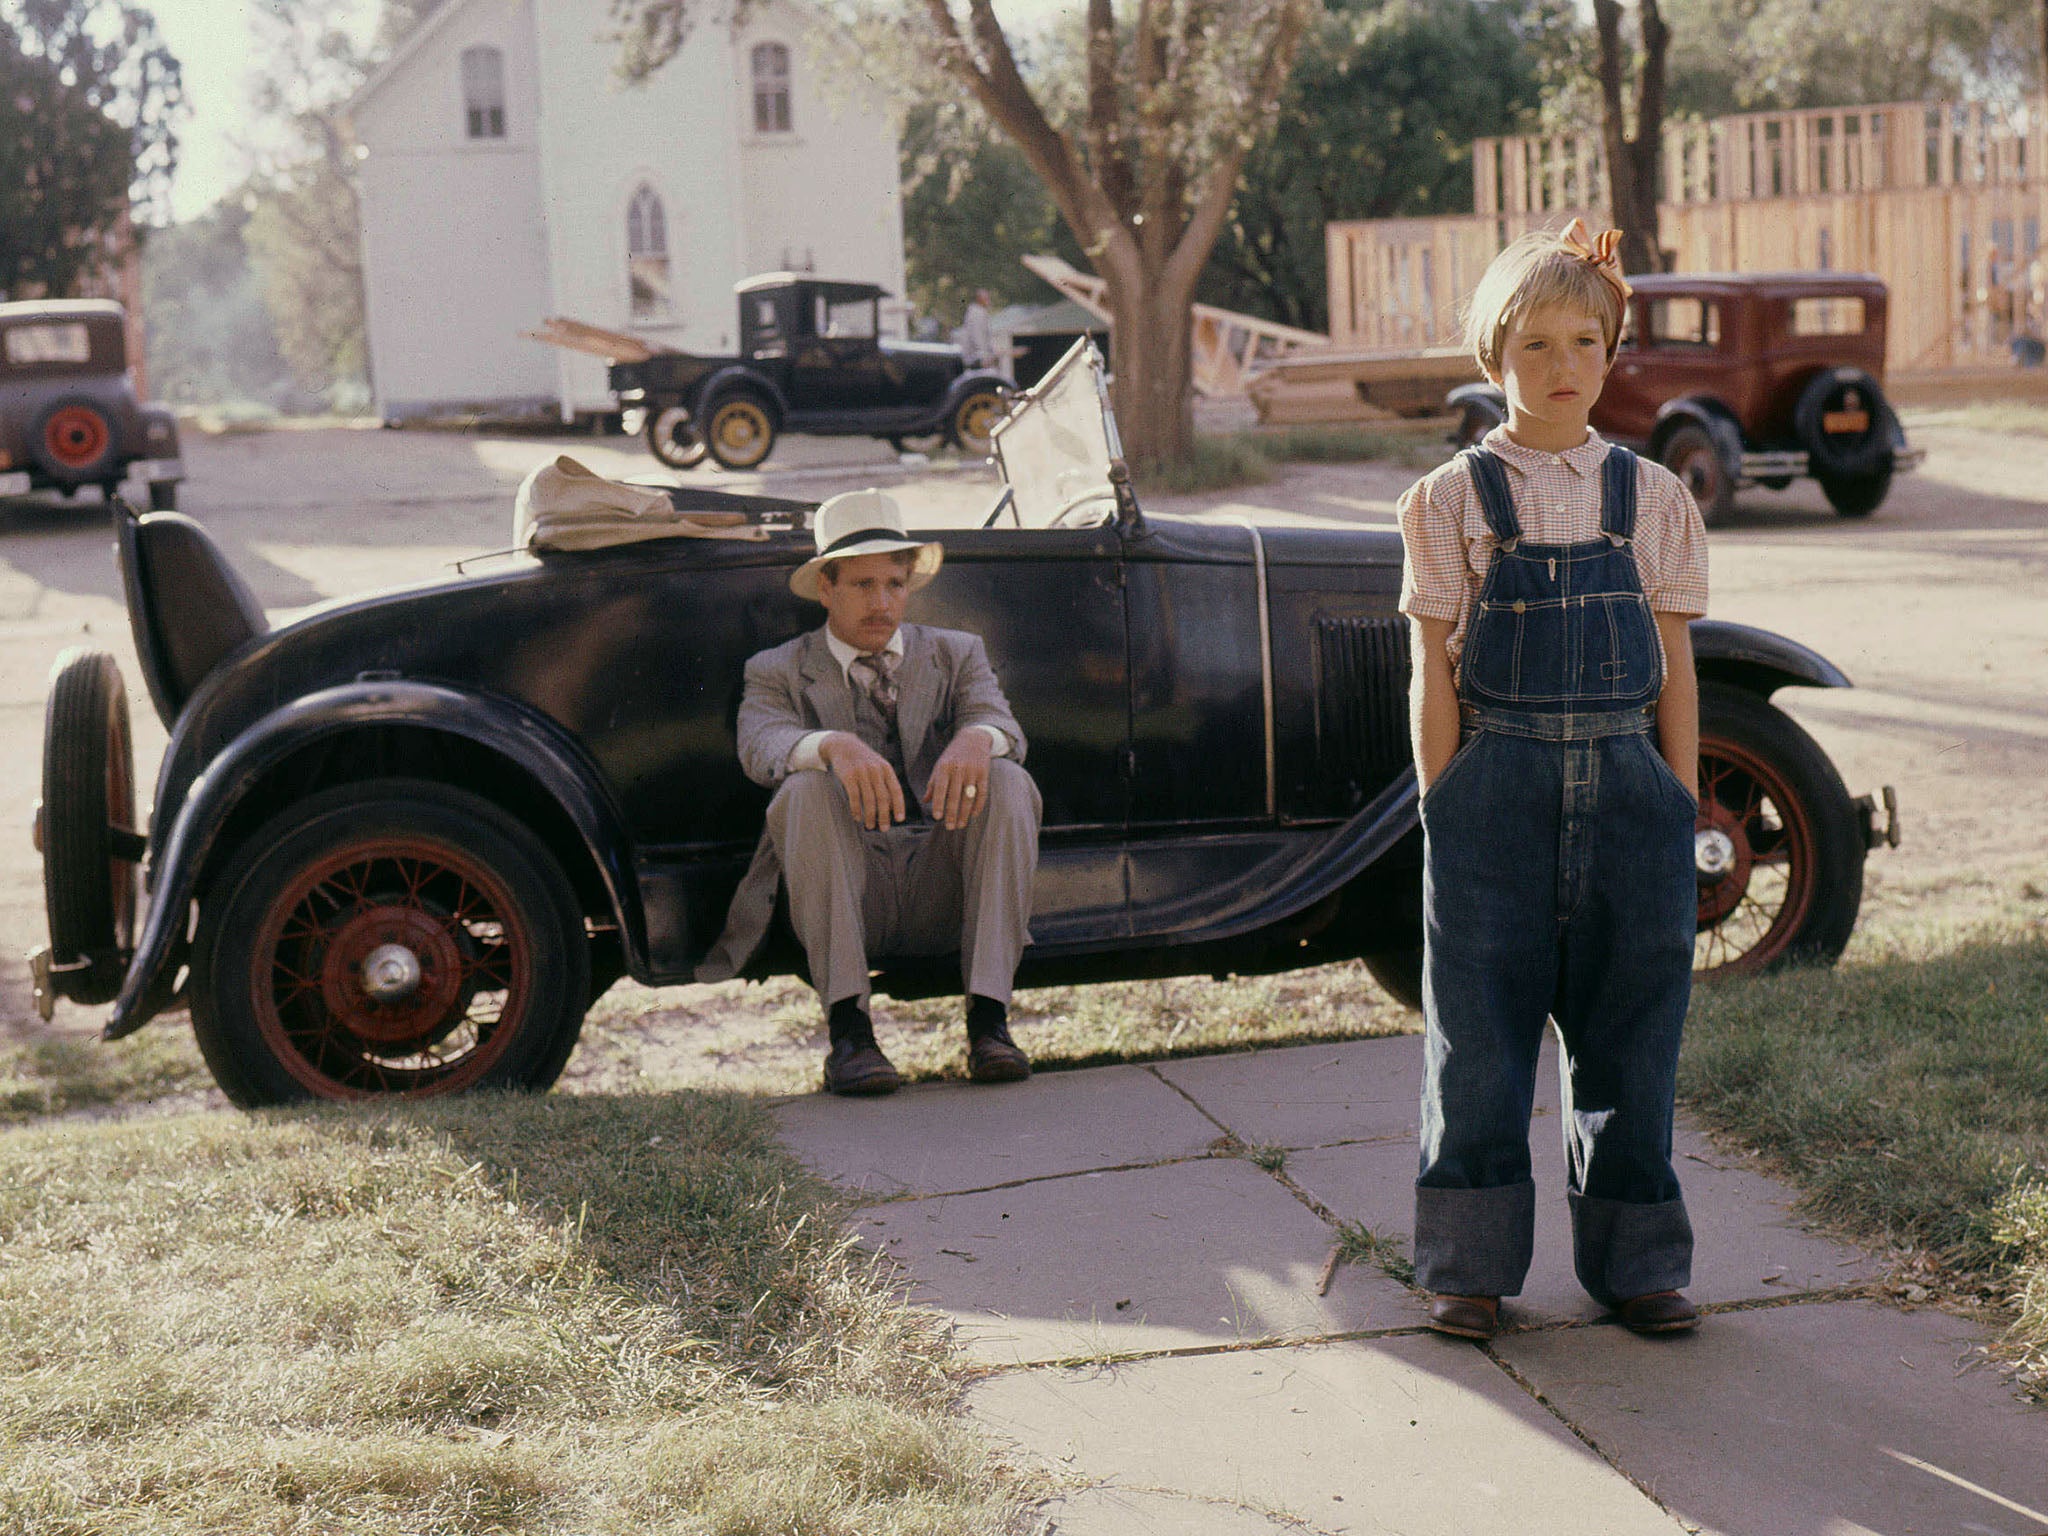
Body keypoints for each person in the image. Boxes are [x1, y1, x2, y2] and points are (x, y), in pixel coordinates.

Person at [1396, 219, 1709, 1342]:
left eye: (1585, 340)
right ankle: (1467, 1268)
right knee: (1477, 1040)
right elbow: (1431, 661)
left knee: (1631, 1030)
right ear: (1494, 356)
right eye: (1534, 344)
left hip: (1632, 791)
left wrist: (1673, 795)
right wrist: (1446, 797)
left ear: (1612, 354)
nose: (1561, 365)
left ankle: (1636, 1266)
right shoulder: (1448, 497)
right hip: (1496, 788)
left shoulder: (1654, 496)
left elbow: (1673, 659)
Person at [697, 488, 1042, 1095]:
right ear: (825, 588)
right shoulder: (775, 669)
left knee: (1008, 777)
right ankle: (850, 1034)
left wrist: (977, 740)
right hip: (843, 891)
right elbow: (760, 747)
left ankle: (990, 1023)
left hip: (943, 881)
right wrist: (833, 746)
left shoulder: (957, 654)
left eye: (894, 583)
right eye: (861, 585)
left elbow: (1004, 725)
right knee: (803, 792)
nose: (882, 603)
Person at [958, 288, 996, 369]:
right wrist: (984, 356)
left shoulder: (979, 312)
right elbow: (977, 336)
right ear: (979, 299)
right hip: (975, 358)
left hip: (976, 357)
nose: (988, 301)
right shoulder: (976, 314)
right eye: (986, 298)